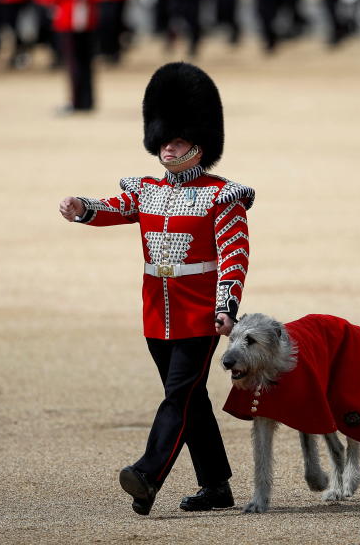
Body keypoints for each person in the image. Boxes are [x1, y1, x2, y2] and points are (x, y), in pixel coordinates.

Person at [58, 62, 254, 515]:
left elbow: (233, 254)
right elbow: (113, 207)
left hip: (199, 313)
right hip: (156, 312)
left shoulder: (221, 195)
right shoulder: (146, 190)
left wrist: (227, 305)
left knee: (178, 397)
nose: (168, 147)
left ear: (199, 144)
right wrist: (81, 207)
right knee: (191, 400)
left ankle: (147, 475)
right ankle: (217, 487)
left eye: (178, 139)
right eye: (164, 139)